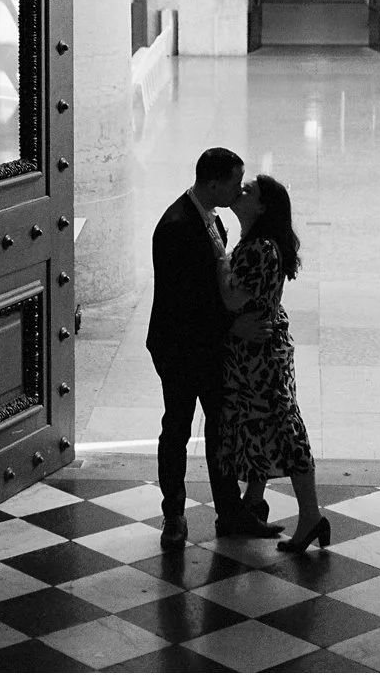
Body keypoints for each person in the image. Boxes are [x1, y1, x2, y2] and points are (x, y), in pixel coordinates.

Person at [147, 148, 284, 550]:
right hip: (178, 347)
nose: (239, 189)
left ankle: (230, 511)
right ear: (213, 183)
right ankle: (174, 514)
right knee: (177, 427)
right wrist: (233, 325)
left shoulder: (212, 220)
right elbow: (184, 301)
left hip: (208, 345)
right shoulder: (175, 227)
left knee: (221, 429)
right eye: (235, 182)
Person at [215, 174, 331, 553]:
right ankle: (253, 504)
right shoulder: (256, 243)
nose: (240, 190)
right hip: (260, 352)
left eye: (249, 190)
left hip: (260, 357)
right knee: (259, 426)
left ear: (262, 207)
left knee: (283, 429)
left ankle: (310, 516)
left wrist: (217, 259)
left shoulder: (259, 248)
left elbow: (232, 300)